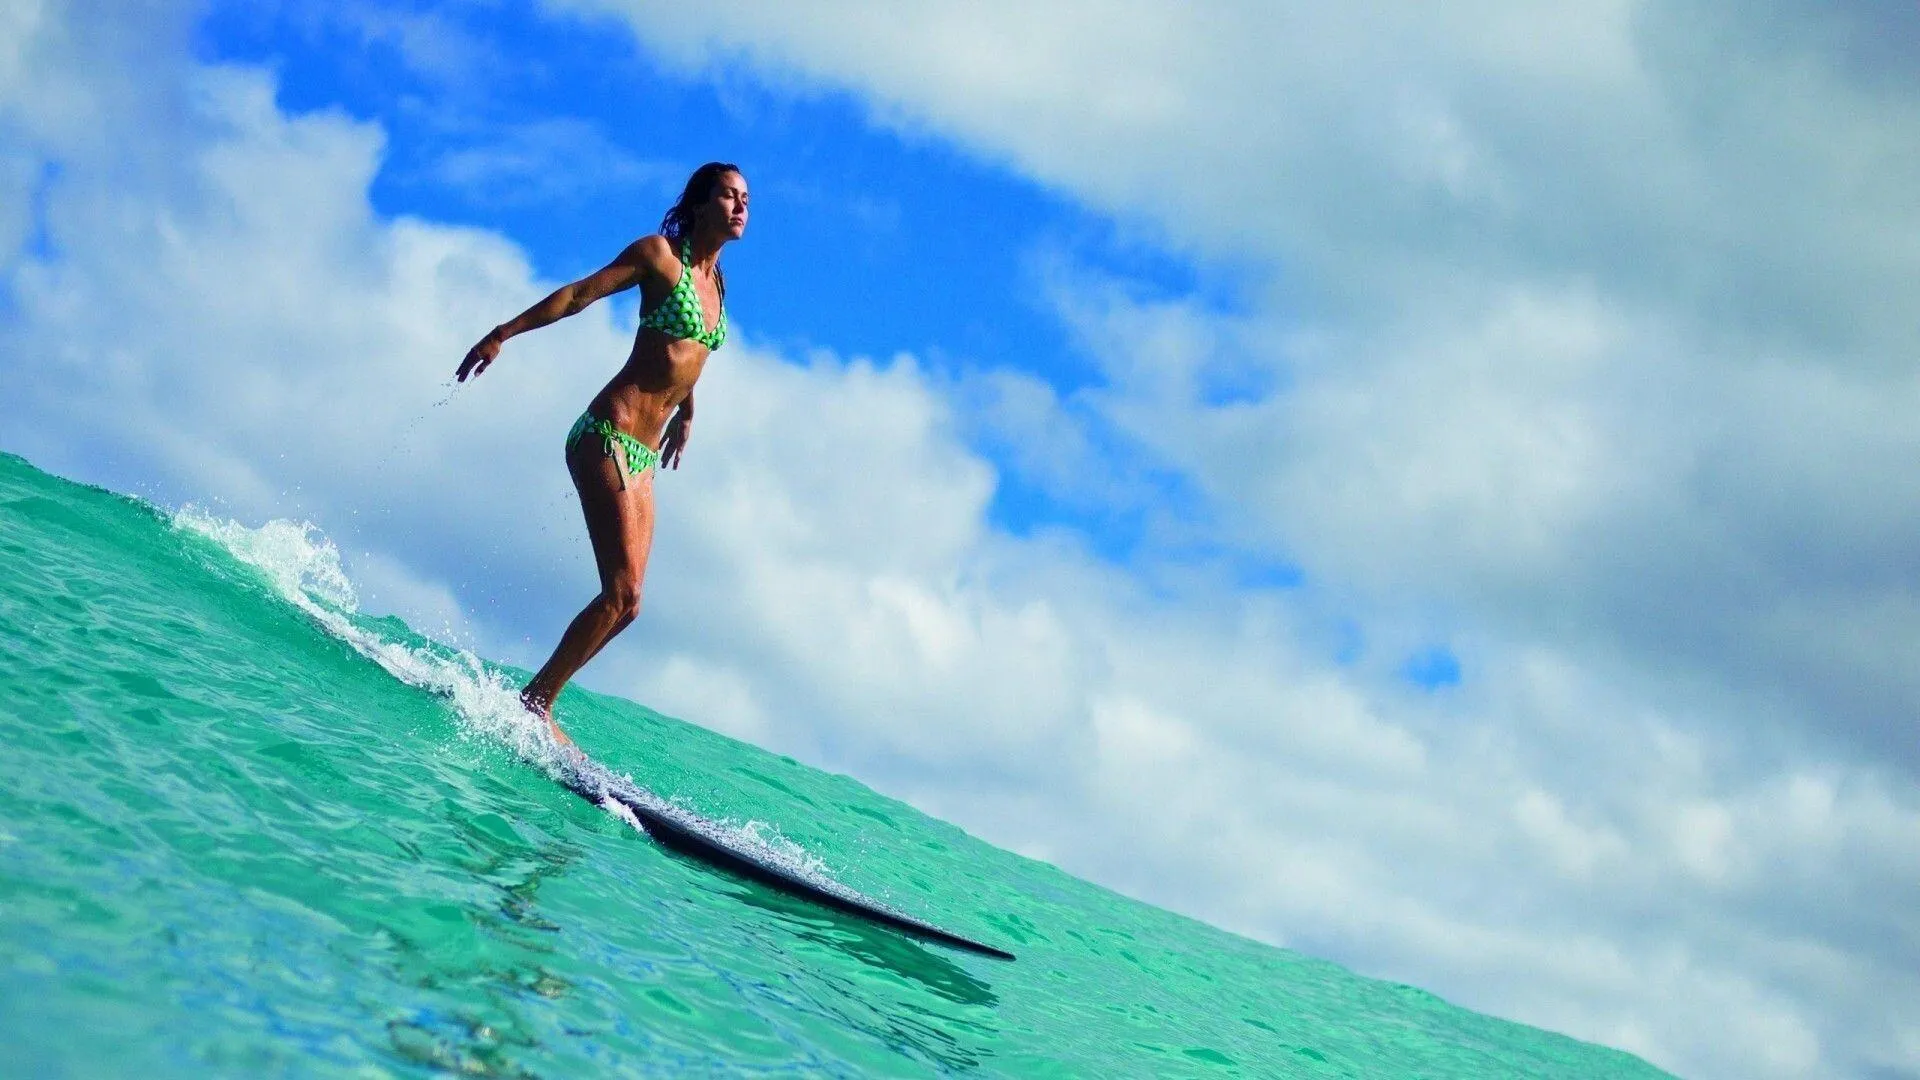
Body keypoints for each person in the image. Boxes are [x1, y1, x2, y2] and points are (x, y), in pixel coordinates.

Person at [454, 162, 748, 748]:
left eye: (746, 198)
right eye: (728, 195)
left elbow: (690, 358)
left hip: (641, 454)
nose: (741, 206)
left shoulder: (717, 285)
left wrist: (687, 413)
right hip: (606, 434)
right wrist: (502, 333)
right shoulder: (660, 257)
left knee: (630, 603)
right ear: (697, 202)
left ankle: (536, 698)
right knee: (620, 592)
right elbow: (580, 294)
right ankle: (536, 701)